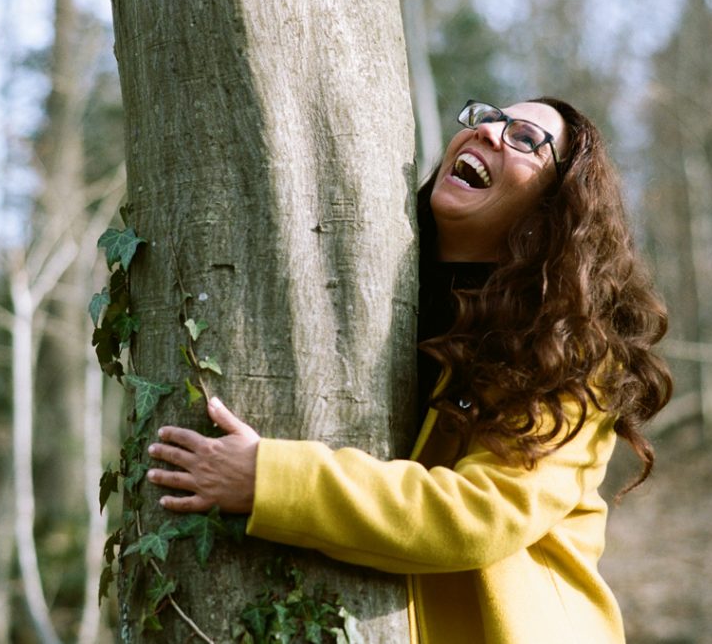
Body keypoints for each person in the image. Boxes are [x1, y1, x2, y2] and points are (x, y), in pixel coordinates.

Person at [145, 97, 672, 643]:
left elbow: (480, 515)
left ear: (556, 206)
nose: (490, 133)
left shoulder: (573, 353)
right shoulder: (374, 281)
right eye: (489, 117)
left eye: (525, 140)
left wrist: (269, 480)